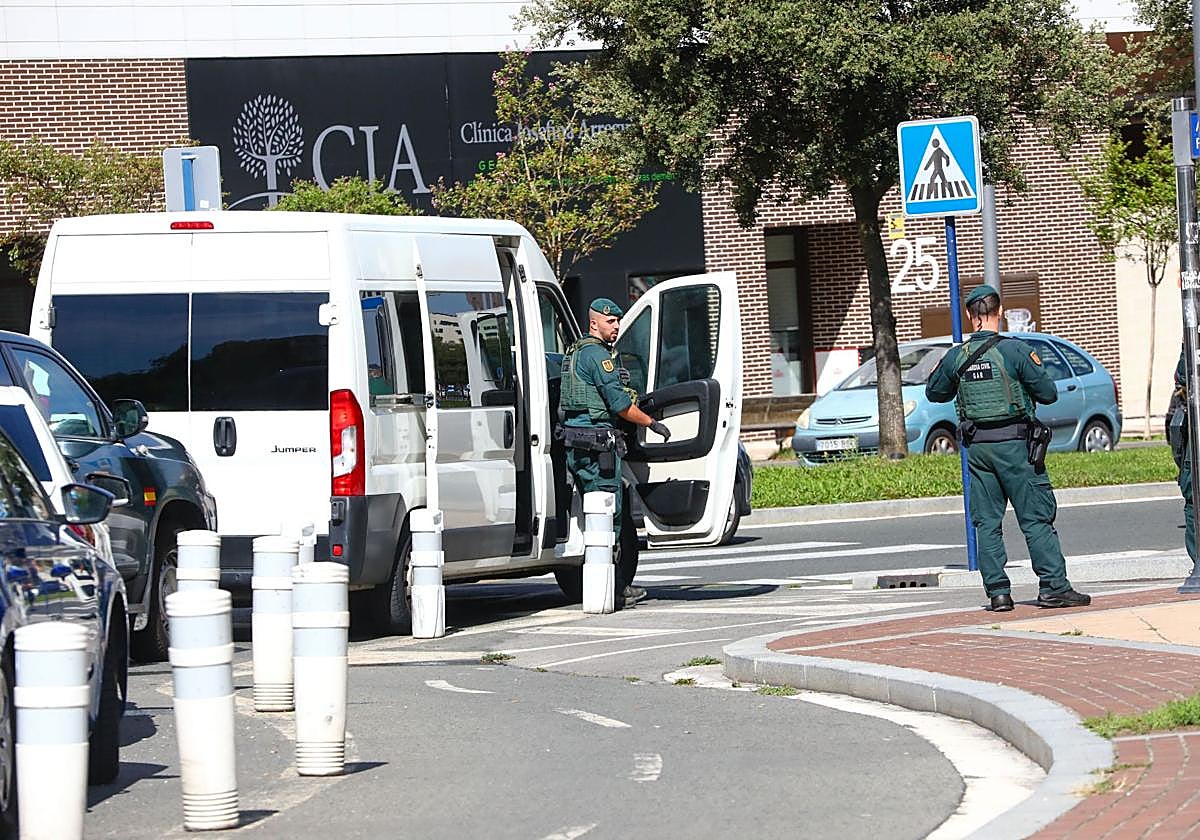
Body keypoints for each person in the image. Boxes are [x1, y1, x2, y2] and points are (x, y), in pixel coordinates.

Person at [926, 284, 1091, 611]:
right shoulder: (1014, 351)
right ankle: (1053, 587)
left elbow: (935, 393)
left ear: (972, 317)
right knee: (1036, 519)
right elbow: (1047, 393)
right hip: (1017, 446)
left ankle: (998, 594)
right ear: (999, 314)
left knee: (987, 522)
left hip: (979, 450)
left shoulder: (956, 356)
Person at [559, 297, 671, 608]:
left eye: (618, 321)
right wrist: (652, 423)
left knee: (596, 517)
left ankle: (608, 586)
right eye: (611, 322)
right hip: (598, 450)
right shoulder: (598, 356)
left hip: (579, 445)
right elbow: (620, 405)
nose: (616, 326)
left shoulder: (575, 353)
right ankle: (615, 589)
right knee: (611, 515)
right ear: (593, 323)